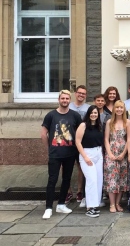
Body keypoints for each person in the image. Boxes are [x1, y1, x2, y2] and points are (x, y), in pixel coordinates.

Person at [41, 90, 82, 219]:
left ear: (70, 100)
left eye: (67, 98)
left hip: (70, 153)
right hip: (55, 154)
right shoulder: (51, 115)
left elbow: (79, 132)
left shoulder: (75, 115)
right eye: (62, 98)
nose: (65, 100)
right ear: (59, 100)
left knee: (66, 179)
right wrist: (49, 148)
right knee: (52, 180)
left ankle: (61, 204)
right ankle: (48, 207)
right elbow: (43, 133)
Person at [75, 105, 104, 218]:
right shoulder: (83, 125)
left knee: (98, 180)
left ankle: (95, 204)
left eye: (96, 113)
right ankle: (89, 207)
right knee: (91, 180)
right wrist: (85, 157)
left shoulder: (99, 126)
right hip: (87, 154)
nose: (93, 115)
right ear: (88, 114)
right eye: (92, 113)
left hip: (98, 153)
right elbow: (78, 142)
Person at [104, 100, 130, 213]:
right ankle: (112, 204)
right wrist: (109, 153)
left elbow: (128, 139)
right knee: (112, 179)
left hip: (122, 152)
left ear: (124, 109)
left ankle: (118, 203)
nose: (119, 110)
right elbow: (106, 139)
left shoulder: (127, 122)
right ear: (114, 109)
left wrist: (124, 153)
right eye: (117, 107)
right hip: (111, 151)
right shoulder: (109, 122)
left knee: (121, 179)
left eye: (121, 108)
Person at [67, 85, 90, 206]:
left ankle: (80, 191)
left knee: (81, 166)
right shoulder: (68, 105)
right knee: (66, 167)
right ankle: (68, 191)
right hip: (68, 141)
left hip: (82, 142)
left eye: (83, 93)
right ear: (75, 94)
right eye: (79, 93)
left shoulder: (88, 108)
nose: (81, 95)